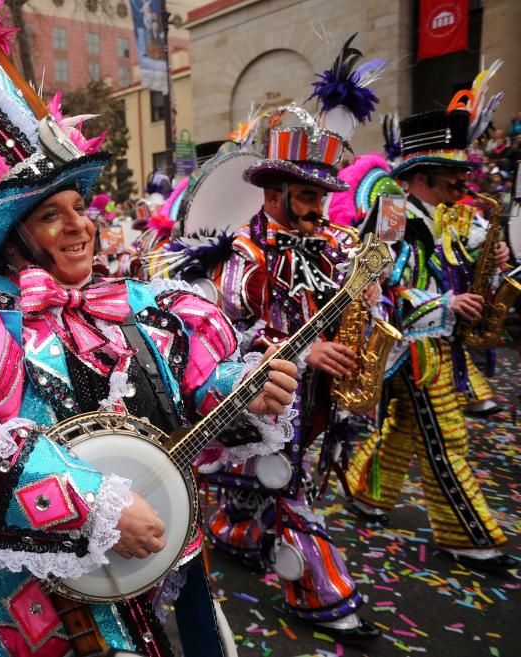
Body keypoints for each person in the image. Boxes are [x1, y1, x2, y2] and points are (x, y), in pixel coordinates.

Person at [0, 14, 298, 657]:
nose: (79, 226)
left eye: (78, 208)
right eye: (52, 215)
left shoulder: (143, 304)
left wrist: (242, 388)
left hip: (171, 552)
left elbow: (186, 400)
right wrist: (93, 506)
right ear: (13, 236)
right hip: (59, 599)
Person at [209, 104, 381, 644]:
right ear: (272, 194)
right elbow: (221, 336)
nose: (317, 209)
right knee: (287, 487)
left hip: (320, 400)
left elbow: (370, 300)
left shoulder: (335, 244)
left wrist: (374, 295)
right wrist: (304, 354)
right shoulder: (243, 251)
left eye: (321, 197)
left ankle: (233, 532)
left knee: (271, 483)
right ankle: (325, 596)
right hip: (268, 398)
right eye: (307, 196)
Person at [346, 95, 514, 573]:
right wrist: (444, 303)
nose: (463, 185)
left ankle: (366, 493)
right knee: (446, 437)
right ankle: (468, 536)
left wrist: (494, 262)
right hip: (411, 347)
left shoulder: (458, 216)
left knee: (405, 426)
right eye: (451, 176)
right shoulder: (393, 214)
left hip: (442, 343)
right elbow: (376, 287)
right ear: (421, 177)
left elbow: (471, 268)